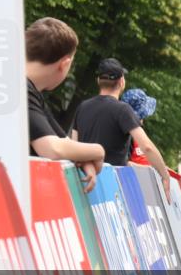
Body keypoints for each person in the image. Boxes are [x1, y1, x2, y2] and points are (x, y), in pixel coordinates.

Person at [72, 59, 172, 201]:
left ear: (98, 80)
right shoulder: (123, 110)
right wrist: (164, 175)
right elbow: (147, 147)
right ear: (121, 82)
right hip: (112, 189)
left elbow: (73, 145)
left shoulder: (82, 107)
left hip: (85, 185)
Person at [25, 18, 104, 192]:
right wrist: (98, 151)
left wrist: (84, 159)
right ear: (65, 64)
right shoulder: (20, 88)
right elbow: (52, 149)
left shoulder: (32, 92)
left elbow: (64, 142)